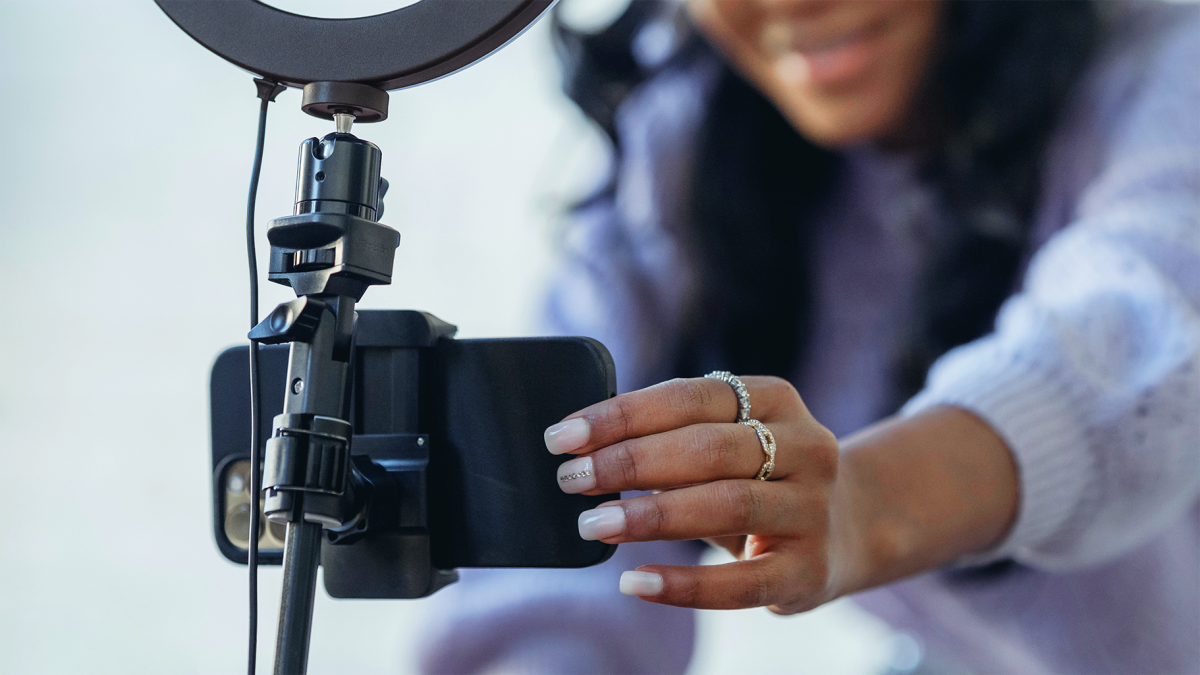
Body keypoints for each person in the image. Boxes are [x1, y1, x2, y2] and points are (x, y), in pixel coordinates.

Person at [419, 0, 1200, 672]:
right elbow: (558, 550)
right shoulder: (679, 132)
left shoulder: (1166, 67)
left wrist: (861, 504)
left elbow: (1134, 347)